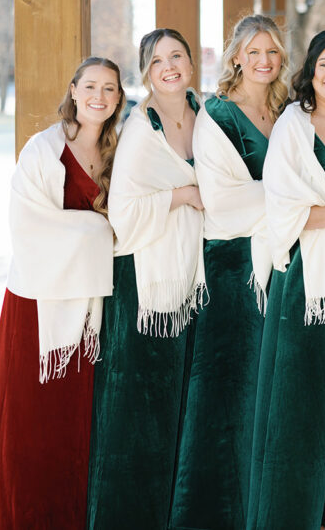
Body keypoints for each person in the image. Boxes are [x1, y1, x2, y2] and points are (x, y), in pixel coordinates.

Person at [0, 57, 124, 529]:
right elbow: (30, 228)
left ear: (119, 98)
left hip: (93, 310)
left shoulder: (121, 153)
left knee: (76, 425)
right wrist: (101, 231)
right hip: (38, 306)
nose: (99, 95)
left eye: (110, 89)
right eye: (90, 86)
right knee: (30, 425)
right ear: (74, 91)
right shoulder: (43, 150)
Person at [247, 29, 325, 529]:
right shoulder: (293, 127)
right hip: (312, 284)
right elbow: (283, 210)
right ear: (310, 70)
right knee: (306, 401)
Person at [171, 14, 287, 529]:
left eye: (273, 53)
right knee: (228, 390)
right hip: (230, 268)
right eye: (254, 52)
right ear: (236, 56)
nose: (264, 61)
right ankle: (214, 513)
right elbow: (222, 202)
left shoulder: (288, 112)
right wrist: (293, 201)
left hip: (280, 264)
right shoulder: (215, 116)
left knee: (271, 390)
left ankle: (265, 509)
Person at [88, 29, 205, 529]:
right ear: (147, 72)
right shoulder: (142, 129)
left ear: (190, 63)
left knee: (175, 406)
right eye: (158, 61)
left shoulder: (204, 114)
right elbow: (125, 214)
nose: (170, 66)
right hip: (143, 282)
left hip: (187, 277)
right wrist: (182, 194)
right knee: (135, 410)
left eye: (177, 56)